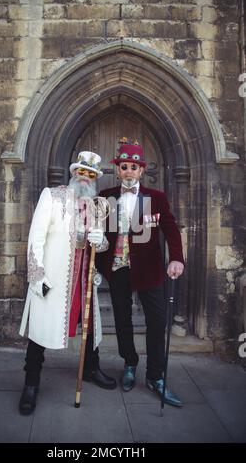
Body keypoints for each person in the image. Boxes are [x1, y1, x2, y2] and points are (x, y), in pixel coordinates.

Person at [19, 151, 116, 415]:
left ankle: (90, 368)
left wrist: (101, 240)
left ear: (95, 179)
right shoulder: (51, 196)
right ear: (73, 173)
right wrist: (37, 276)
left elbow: (102, 244)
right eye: (81, 172)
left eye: (91, 174)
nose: (85, 178)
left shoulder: (96, 205)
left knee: (90, 325)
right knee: (41, 329)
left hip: (84, 278)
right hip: (54, 278)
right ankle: (31, 383)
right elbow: (35, 238)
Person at [95, 140, 185, 407]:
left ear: (141, 171)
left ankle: (156, 376)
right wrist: (97, 262)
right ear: (118, 169)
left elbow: (170, 228)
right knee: (122, 320)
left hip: (149, 270)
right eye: (124, 167)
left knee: (157, 322)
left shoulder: (156, 198)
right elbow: (97, 230)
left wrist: (176, 259)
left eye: (134, 167)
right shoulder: (106, 196)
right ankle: (130, 364)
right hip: (117, 270)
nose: (129, 171)